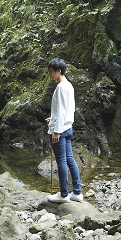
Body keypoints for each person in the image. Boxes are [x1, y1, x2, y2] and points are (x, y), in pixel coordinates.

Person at [44, 57, 82, 203]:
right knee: (70, 160)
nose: (50, 74)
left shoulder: (60, 88)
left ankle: (64, 194)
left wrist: (56, 130)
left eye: (51, 72)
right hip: (68, 127)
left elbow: (60, 110)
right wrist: (52, 120)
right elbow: (68, 110)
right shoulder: (69, 85)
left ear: (58, 71)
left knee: (61, 161)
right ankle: (77, 192)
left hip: (60, 129)